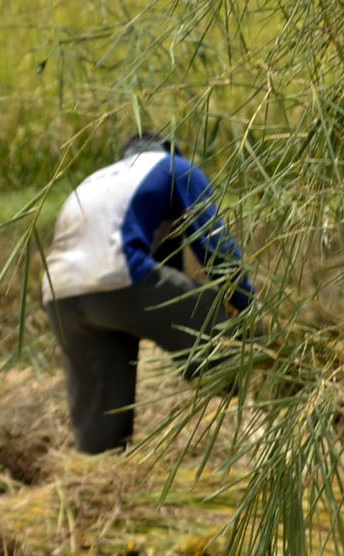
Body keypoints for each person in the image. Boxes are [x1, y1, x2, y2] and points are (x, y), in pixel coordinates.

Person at [42, 133, 257, 454]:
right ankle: (250, 422)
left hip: (58, 294)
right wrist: (247, 308)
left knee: (102, 421)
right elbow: (214, 246)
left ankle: (98, 469)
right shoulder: (175, 167)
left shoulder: (100, 180)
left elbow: (166, 269)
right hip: (119, 275)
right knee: (214, 319)